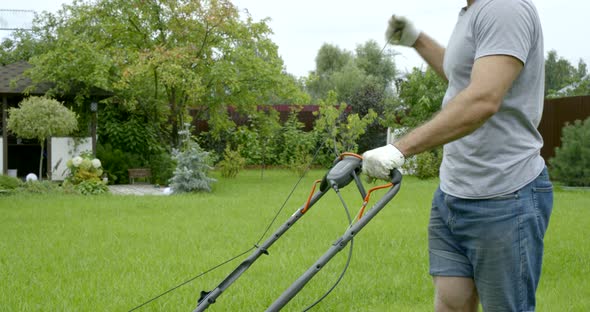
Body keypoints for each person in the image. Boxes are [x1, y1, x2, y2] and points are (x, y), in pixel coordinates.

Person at [362, 0, 553, 311]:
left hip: (504, 196)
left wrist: (400, 148)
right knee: (451, 305)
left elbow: (482, 99)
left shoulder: (504, 7)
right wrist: (417, 40)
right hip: (453, 195)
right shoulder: (472, 11)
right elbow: (464, 80)